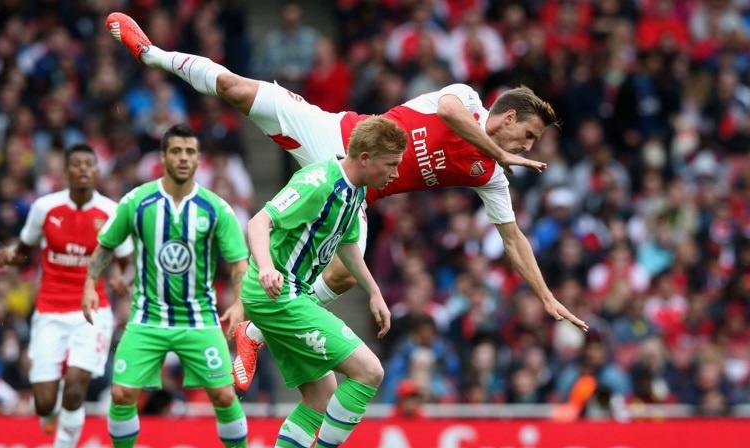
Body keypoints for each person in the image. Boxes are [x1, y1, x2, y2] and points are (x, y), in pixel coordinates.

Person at [105, 13, 589, 392]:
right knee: (234, 87)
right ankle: (152, 53)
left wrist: (546, 296)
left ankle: (253, 334)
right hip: (332, 132)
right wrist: (502, 151)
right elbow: (446, 113)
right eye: (525, 136)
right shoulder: (462, 97)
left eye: (529, 144)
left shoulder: (491, 176)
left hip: (352, 190)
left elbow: (513, 237)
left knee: (341, 273)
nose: (526, 148)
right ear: (505, 117)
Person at [241, 116, 408, 448]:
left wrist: (375, 292)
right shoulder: (318, 182)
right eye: (391, 164)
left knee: (319, 397)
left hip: (293, 296)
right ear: (365, 157)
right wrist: (265, 266)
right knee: (369, 371)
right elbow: (258, 221)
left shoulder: (355, 192)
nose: (397, 172)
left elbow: (349, 246)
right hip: (278, 295)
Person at [81, 123, 250, 448]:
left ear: (198, 158)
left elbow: (239, 264)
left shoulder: (214, 207)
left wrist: (239, 303)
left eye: (191, 152)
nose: (184, 158)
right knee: (122, 393)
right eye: (176, 151)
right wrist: (90, 284)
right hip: (147, 317)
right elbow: (105, 246)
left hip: (200, 319)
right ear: (163, 157)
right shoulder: (137, 202)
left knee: (224, 396)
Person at [0, 143, 133, 448]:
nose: (84, 169)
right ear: (66, 172)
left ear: (97, 172)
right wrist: (10, 256)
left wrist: (122, 282)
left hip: (92, 311)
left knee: (75, 388)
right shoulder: (45, 207)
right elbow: (25, 249)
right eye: (77, 164)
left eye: (90, 163)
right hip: (50, 311)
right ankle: (51, 414)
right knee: (43, 403)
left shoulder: (112, 211)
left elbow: (127, 262)